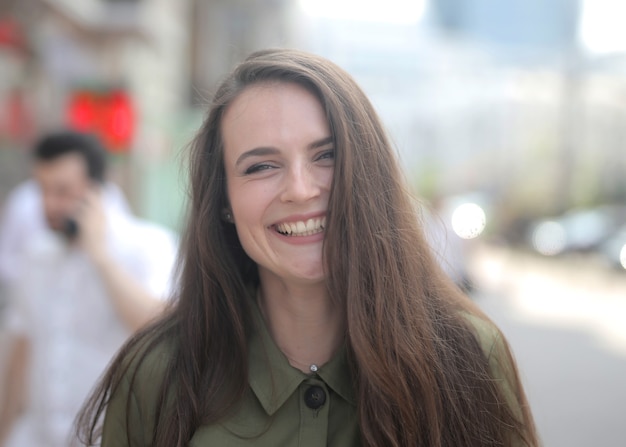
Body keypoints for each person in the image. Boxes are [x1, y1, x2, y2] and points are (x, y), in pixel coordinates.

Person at [77, 49, 539, 447]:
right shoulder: (158, 373)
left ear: (370, 172)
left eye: (326, 155)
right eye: (261, 166)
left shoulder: (465, 357)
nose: (300, 189)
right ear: (224, 203)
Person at [0, 131, 178, 447]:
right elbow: (22, 346)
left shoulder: (149, 246)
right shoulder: (36, 254)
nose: (49, 204)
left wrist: (98, 255)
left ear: (98, 188)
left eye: (63, 190)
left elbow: (158, 330)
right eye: (42, 190)